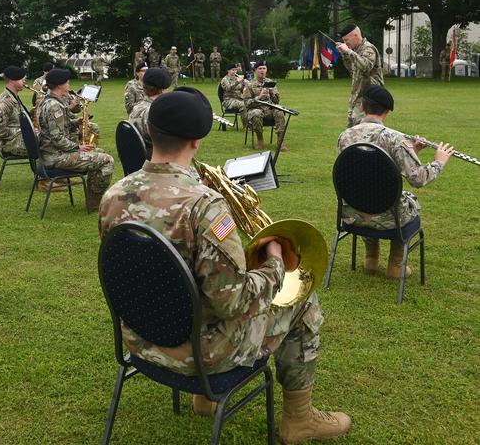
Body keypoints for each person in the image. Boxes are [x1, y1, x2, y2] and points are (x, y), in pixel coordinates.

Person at [99, 88, 351, 445]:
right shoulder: (206, 206)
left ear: (148, 132)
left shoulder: (114, 195)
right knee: (304, 305)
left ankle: (203, 400)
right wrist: (276, 262)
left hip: (141, 341)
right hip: (204, 357)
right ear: (196, 142)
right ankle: (300, 419)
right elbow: (233, 303)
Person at [337, 85, 453, 278]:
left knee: (366, 192)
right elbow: (418, 178)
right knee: (410, 201)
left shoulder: (345, 136)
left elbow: (366, 170)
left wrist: (412, 151)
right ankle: (396, 265)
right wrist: (439, 162)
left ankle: (371, 259)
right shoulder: (395, 139)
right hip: (390, 220)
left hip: (352, 214)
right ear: (387, 111)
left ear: (363, 107)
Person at [37, 68, 114, 211]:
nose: (69, 85)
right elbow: (57, 138)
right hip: (56, 157)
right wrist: (77, 147)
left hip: (53, 153)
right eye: (67, 82)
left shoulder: (51, 101)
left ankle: (93, 197)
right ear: (59, 85)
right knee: (107, 160)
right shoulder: (54, 106)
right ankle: (95, 201)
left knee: (99, 152)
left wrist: (75, 122)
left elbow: (56, 128)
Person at [336, 24, 383, 128]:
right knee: (352, 131)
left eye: (346, 40)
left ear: (356, 35)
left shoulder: (368, 48)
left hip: (370, 100)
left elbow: (366, 66)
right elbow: (352, 70)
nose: (345, 43)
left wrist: (349, 51)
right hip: (357, 98)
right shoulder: (356, 50)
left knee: (365, 132)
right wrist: (345, 54)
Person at [242, 61, 287, 151]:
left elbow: (277, 101)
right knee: (256, 113)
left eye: (264, 68)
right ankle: (260, 139)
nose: (262, 71)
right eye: (260, 69)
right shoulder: (249, 85)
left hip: (269, 109)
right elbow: (247, 104)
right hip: (256, 108)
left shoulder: (271, 82)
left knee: (279, 111)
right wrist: (259, 97)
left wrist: (272, 92)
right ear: (255, 70)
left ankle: (280, 140)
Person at [128, 67, 170, 155]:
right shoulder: (157, 112)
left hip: (137, 159)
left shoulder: (136, 108)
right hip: (155, 161)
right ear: (163, 89)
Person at [0, 66, 29, 156]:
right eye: (21, 78)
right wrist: (25, 130)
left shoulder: (13, 98)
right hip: (10, 145)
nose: (24, 81)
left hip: (19, 140)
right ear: (12, 81)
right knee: (47, 148)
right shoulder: (3, 103)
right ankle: (44, 170)